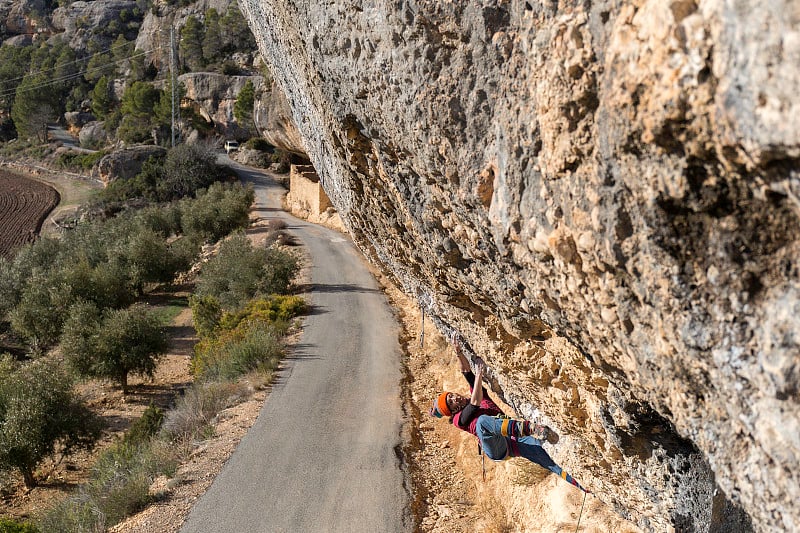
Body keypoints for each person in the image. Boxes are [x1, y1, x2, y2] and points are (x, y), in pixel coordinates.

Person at [429, 339, 589, 493]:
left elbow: (466, 373)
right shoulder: (459, 420)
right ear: (453, 410)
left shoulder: (477, 394)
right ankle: (529, 427)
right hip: (498, 447)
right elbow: (474, 403)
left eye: (451, 395)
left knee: (547, 459)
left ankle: (586, 487)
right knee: (482, 422)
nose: (455, 398)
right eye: (451, 402)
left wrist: (458, 353)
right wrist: (479, 374)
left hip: (515, 442)